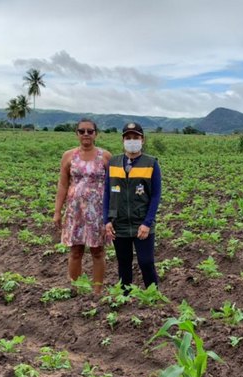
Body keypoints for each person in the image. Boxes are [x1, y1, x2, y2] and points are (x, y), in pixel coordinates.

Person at [54, 119, 112, 295]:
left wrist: (112, 214)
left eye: (90, 131)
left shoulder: (105, 156)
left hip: (97, 212)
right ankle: (77, 289)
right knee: (75, 251)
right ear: (76, 134)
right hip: (75, 211)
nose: (86, 134)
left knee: (98, 251)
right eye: (82, 131)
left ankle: (97, 291)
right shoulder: (68, 156)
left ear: (96, 134)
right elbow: (63, 185)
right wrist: (57, 211)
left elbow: (113, 186)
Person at [103, 122, 162, 289]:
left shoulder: (151, 163)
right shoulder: (113, 163)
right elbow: (107, 193)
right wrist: (106, 220)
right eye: (128, 138)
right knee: (123, 262)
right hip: (119, 223)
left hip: (141, 222)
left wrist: (147, 223)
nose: (132, 141)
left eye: (135, 137)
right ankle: (125, 296)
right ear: (123, 140)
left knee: (146, 262)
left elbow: (155, 196)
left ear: (142, 140)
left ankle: (152, 296)